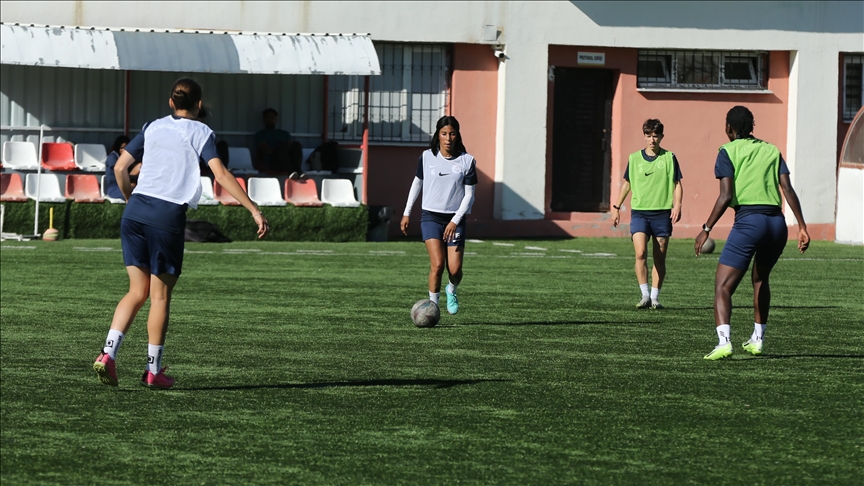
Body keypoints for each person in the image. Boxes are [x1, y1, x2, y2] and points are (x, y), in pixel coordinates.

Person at [93, 78, 269, 389]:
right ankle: (153, 371)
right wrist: (254, 210)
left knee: (136, 291)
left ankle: (107, 354)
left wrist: (130, 200)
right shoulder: (203, 132)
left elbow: (121, 168)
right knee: (159, 295)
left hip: (135, 214)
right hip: (166, 215)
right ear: (200, 105)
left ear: (171, 102)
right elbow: (221, 174)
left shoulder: (153, 126)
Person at [697, 106, 809, 361]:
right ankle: (757, 340)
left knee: (723, 286)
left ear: (729, 128)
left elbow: (725, 196)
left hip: (750, 222)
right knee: (760, 280)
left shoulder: (727, 151)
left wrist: (705, 229)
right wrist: (801, 226)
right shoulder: (772, 149)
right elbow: (787, 190)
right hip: (777, 224)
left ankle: (724, 342)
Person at [400, 116, 478, 315]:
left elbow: (469, 195)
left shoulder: (467, 161)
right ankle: (432, 308)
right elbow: (416, 184)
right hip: (430, 217)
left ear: (457, 135)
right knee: (437, 264)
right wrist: (406, 213)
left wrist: (454, 220)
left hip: (455, 219)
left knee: (454, 270)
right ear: (438, 135)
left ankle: (451, 289)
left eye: (452, 133)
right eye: (444, 134)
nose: (448, 138)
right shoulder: (426, 157)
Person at [612, 119, 683, 309]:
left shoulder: (670, 157)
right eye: (649, 135)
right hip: (640, 213)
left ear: (661, 136)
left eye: (656, 135)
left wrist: (677, 205)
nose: (652, 139)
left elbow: (677, 184)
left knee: (659, 257)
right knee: (640, 253)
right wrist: (616, 207)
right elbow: (627, 184)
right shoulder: (634, 158)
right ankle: (644, 295)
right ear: (644, 136)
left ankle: (655, 297)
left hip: (662, 214)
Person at [254, 108, 305, 178]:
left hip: (288, 160)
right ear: (264, 120)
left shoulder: (284, 133)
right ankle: (291, 172)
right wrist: (280, 150)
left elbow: (291, 146)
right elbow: (265, 149)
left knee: (296, 144)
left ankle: (298, 171)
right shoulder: (260, 134)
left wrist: (285, 152)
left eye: (272, 118)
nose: (270, 120)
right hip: (272, 162)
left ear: (276, 120)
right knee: (281, 145)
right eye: (268, 118)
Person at [103, 135, 137, 199]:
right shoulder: (112, 157)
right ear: (117, 148)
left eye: (126, 148)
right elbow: (119, 173)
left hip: (126, 185)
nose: (124, 150)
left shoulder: (128, 158)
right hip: (114, 188)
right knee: (135, 193)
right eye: (122, 148)